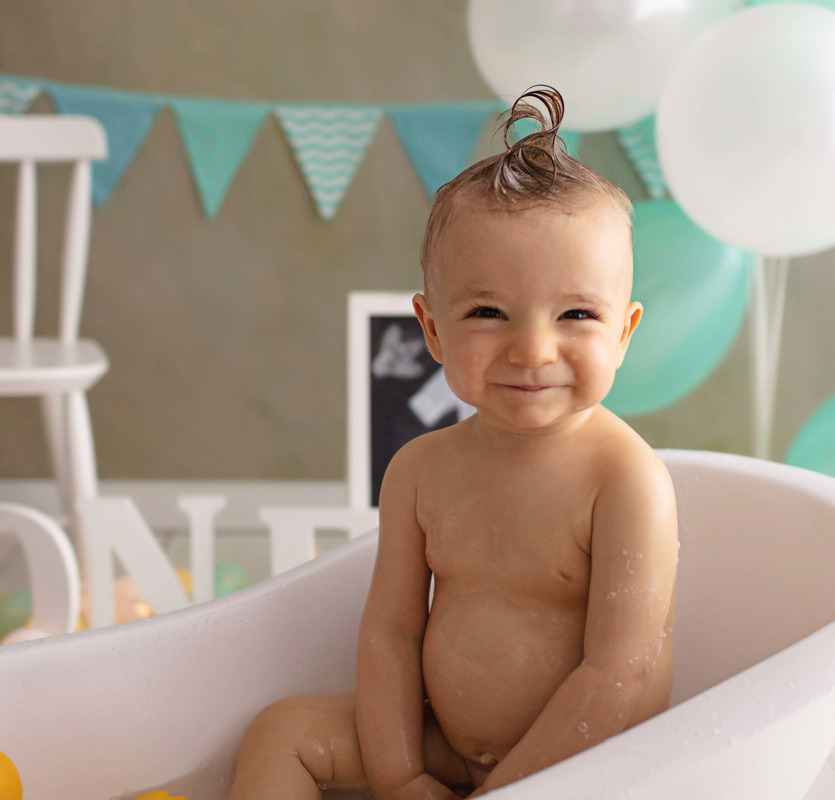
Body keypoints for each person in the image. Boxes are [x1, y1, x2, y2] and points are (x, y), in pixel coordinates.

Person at [227, 86, 678, 800]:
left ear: (623, 332)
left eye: (576, 314)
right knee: (281, 734)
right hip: (450, 753)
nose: (533, 350)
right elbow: (391, 635)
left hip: (588, 770)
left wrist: (512, 792)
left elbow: (621, 674)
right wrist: (401, 774)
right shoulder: (420, 471)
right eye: (489, 312)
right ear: (432, 330)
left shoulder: (624, 481)